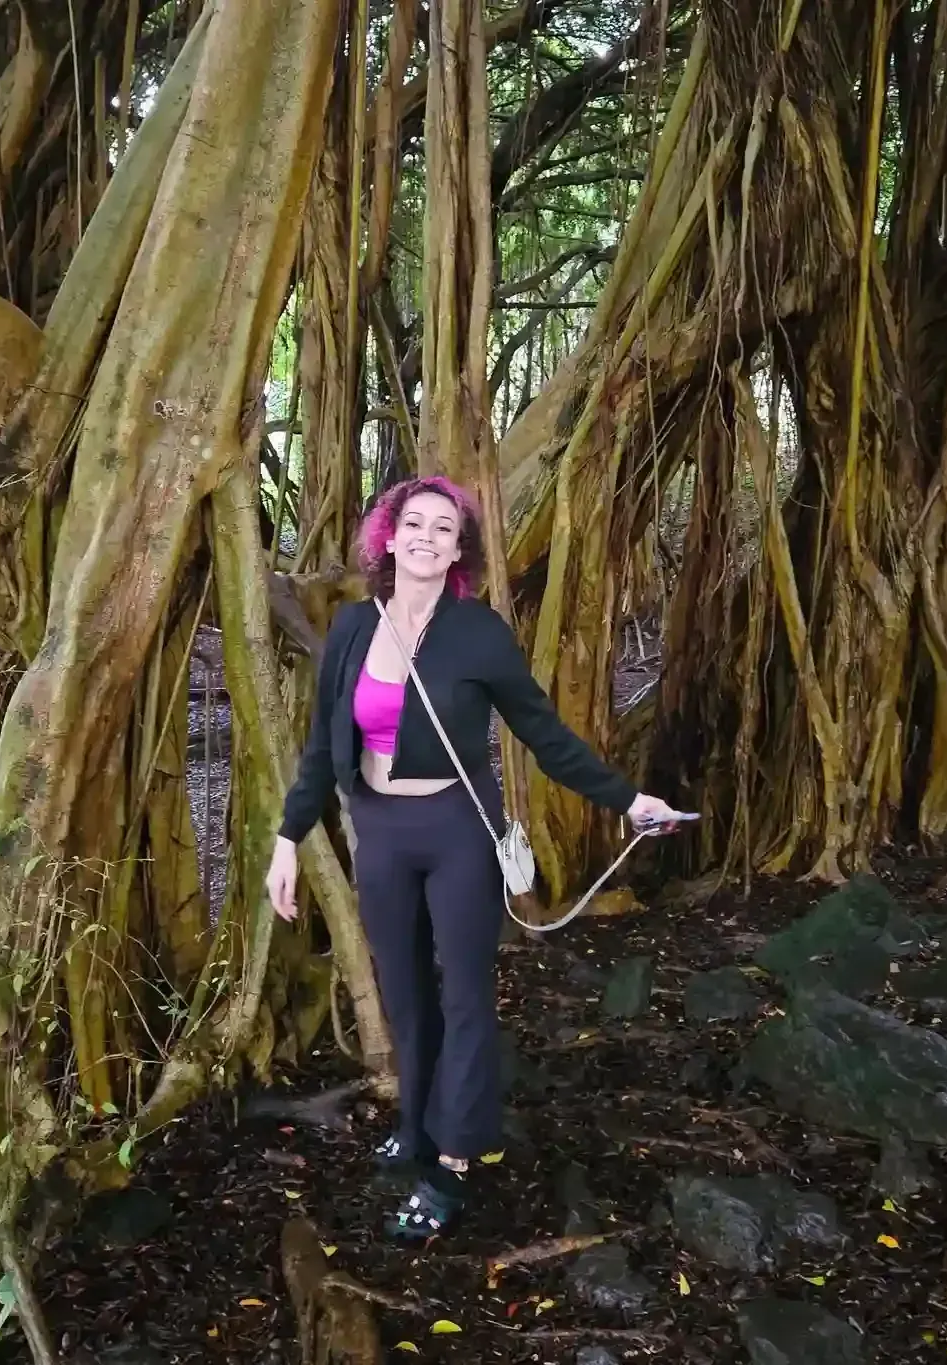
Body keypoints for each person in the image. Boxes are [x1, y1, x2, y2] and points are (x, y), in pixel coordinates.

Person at [265, 475, 683, 1242]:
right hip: (380, 830)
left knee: (463, 995)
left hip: (458, 828)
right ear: (388, 537)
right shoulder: (354, 626)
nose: (426, 536)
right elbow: (324, 745)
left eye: (443, 527)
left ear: (460, 550)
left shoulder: (478, 632)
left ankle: (452, 1162)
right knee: (403, 991)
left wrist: (628, 800)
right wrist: (288, 839)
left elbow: (543, 733)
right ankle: (417, 1125)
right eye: (413, 523)